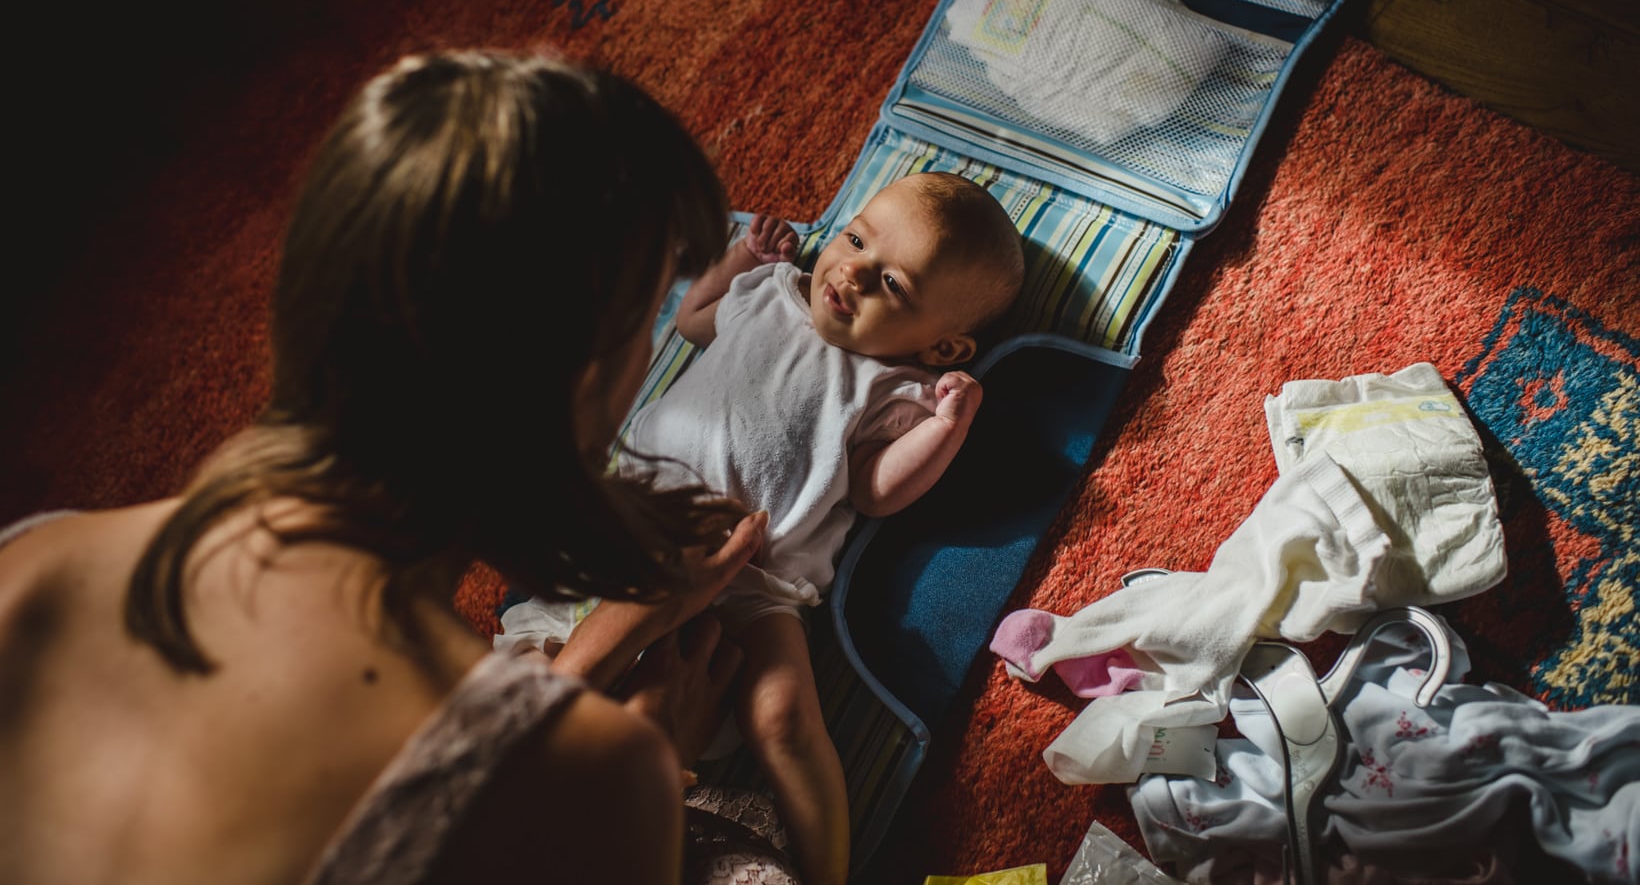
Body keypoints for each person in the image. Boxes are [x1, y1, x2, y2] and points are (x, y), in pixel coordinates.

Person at [0, 49, 787, 885]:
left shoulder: (34, 563)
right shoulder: (601, 779)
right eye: (650, 315)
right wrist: (658, 756)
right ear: (580, 376)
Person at [615, 170, 1028, 885]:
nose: (853, 271)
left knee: (784, 717)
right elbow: (691, 321)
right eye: (856, 237)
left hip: (759, 578)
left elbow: (875, 491)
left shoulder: (897, 389)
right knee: (570, 632)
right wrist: (743, 259)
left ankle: (826, 870)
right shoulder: (775, 294)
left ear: (943, 348)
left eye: (893, 285)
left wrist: (947, 428)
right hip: (638, 517)